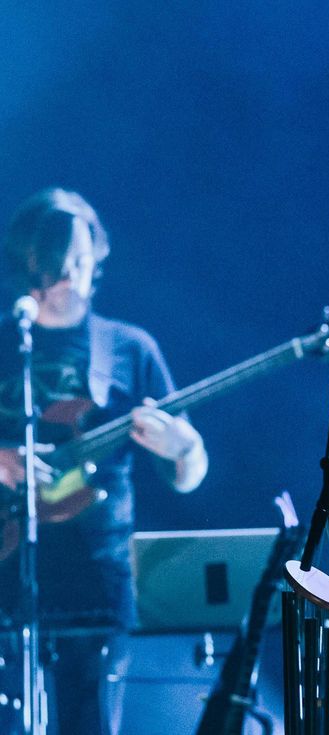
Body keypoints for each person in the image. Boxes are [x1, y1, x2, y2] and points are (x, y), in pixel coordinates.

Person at [0, 188, 208, 734]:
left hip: (95, 584)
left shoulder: (128, 349)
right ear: (27, 261)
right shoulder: (3, 341)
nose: (71, 275)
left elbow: (190, 472)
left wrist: (182, 449)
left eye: (82, 261)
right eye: (57, 261)